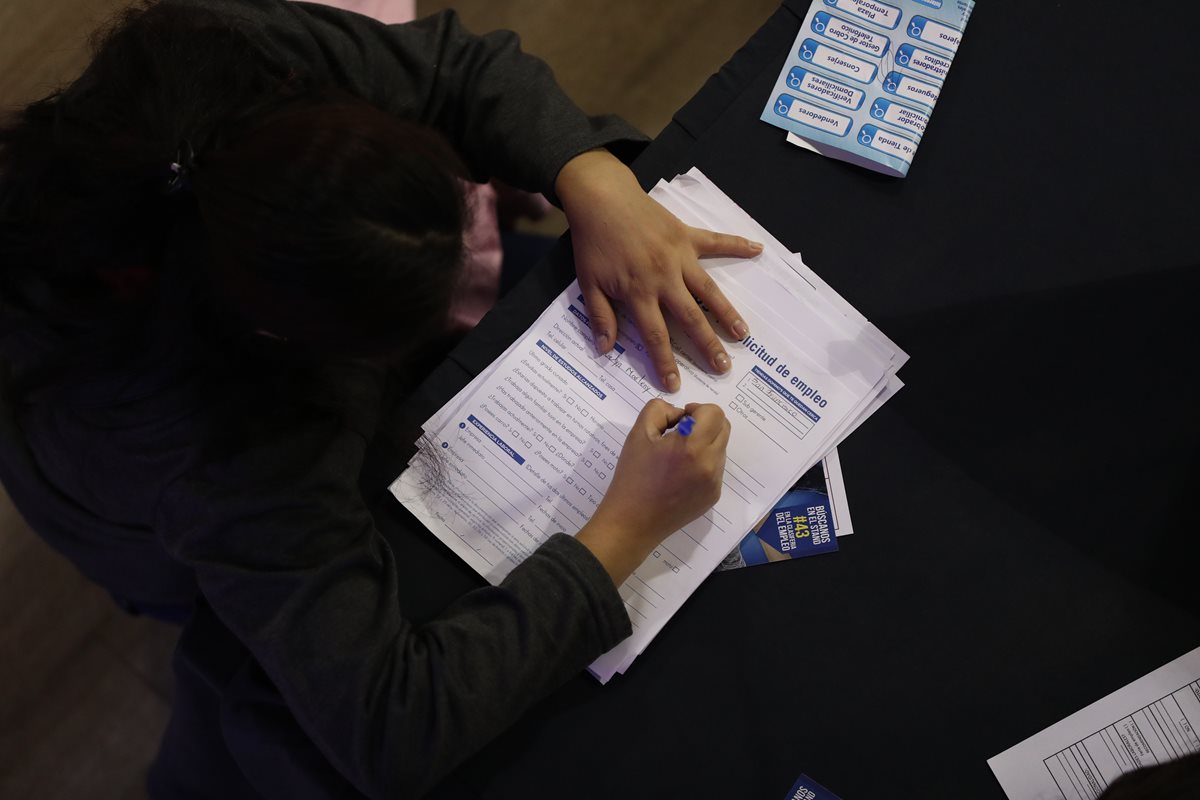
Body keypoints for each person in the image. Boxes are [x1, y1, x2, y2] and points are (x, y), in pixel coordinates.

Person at [0, 0, 757, 796]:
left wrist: (591, 176)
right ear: (304, 347)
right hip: (137, 510)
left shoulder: (220, 74)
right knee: (242, 646)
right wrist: (624, 530)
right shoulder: (227, 454)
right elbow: (395, 724)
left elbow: (449, 71)